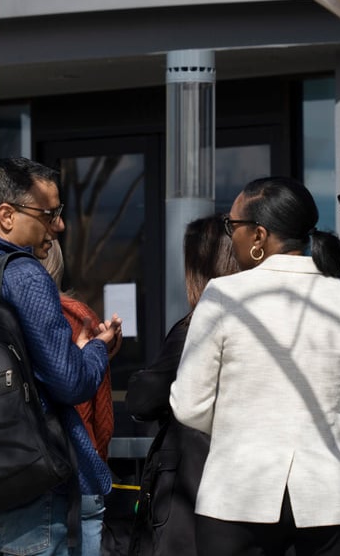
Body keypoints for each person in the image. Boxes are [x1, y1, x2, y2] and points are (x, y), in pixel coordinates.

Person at [170, 176, 340, 556]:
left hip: (236, 496)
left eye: (231, 225)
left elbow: (189, 405)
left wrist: (244, 425)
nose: (228, 234)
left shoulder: (223, 296)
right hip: (328, 499)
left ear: (259, 236)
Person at [0, 156, 122, 556]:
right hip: (38, 489)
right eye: (49, 213)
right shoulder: (23, 273)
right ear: (6, 215)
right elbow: (70, 384)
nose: (59, 226)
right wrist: (95, 350)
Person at [126, 214, 239, 556]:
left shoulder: (197, 327)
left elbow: (144, 400)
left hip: (192, 488)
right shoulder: (258, 320)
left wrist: (135, 375)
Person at [41, 239, 122, 556]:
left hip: (34, 474)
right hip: (83, 467)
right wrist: (97, 456)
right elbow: (102, 415)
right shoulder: (80, 317)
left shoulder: (6, 317)